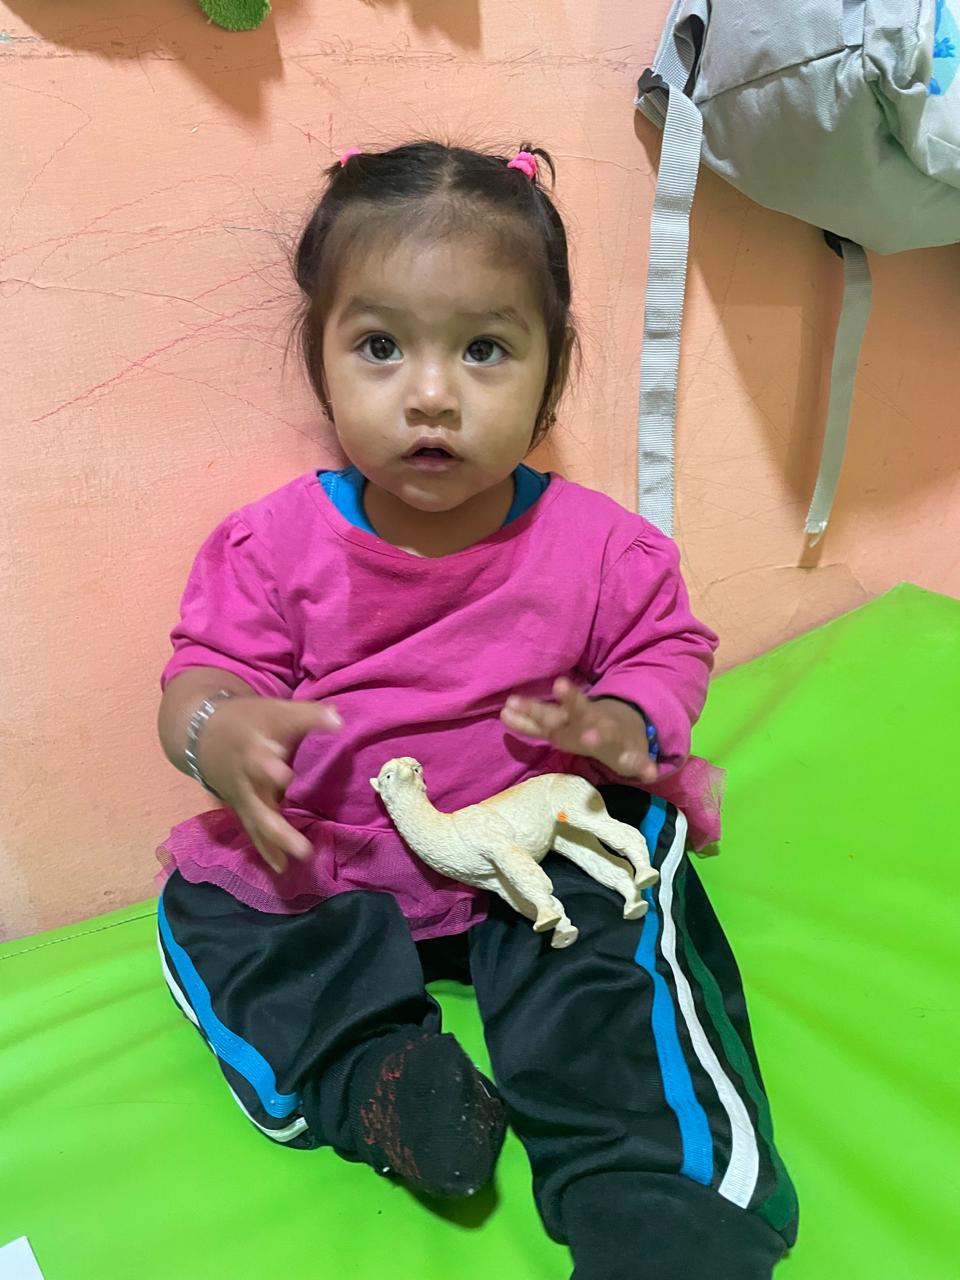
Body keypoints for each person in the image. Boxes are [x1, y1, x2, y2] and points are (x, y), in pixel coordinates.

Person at [155, 140, 798, 1280]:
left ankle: (655, 1198)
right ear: (321, 360)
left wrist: (626, 720)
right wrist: (218, 731)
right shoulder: (273, 546)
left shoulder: (598, 546)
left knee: (619, 923)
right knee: (206, 911)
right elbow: (199, 676)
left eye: (485, 350)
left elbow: (670, 647)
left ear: (553, 375)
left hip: (533, 844)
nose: (432, 394)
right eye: (381, 346)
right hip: (342, 855)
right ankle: (384, 1083)